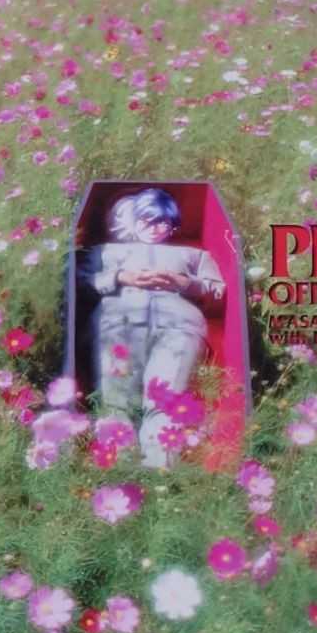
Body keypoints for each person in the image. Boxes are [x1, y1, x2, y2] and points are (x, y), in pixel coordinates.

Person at [75, 187, 226, 467]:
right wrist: (121, 277)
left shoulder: (194, 255)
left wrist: (185, 283)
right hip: (116, 326)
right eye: (146, 220)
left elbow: (218, 290)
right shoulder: (106, 252)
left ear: (173, 225)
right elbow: (80, 280)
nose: (154, 228)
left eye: (163, 222)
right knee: (115, 399)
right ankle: (119, 470)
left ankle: (161, 471)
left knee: (167, 400)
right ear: (132, 220)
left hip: (179, 329)